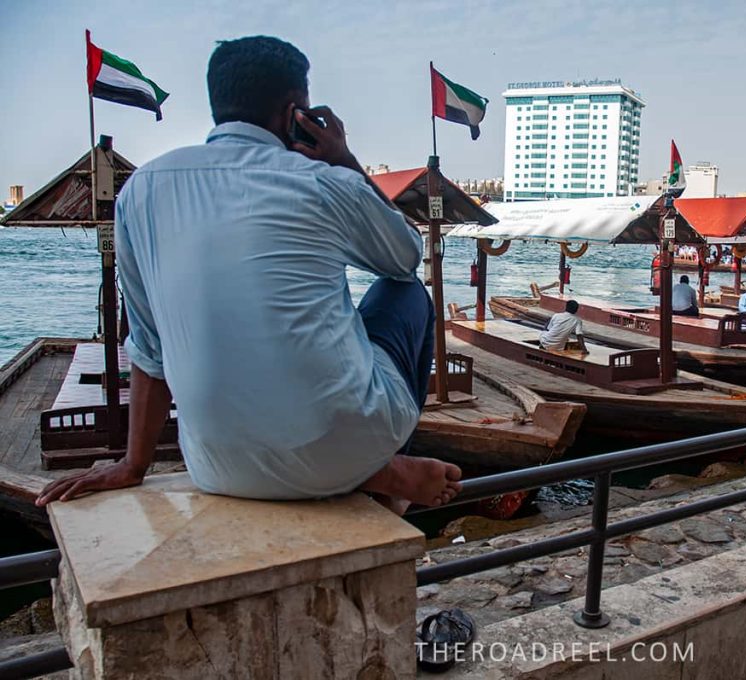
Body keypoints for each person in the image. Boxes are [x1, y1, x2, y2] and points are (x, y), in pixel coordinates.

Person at [37, 36, 461, 511]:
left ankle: (369, 468)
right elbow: (405, 256)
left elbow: (149, 344)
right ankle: (384, 471)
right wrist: (344, 159)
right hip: (346, 452)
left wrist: (132, 465)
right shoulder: (323, 181)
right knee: (404, 292)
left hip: (217, 468)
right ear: (295, 113)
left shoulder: (141, 190)